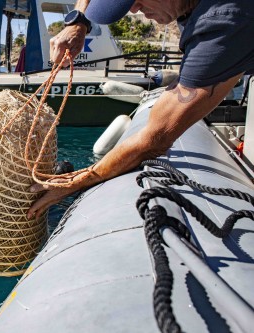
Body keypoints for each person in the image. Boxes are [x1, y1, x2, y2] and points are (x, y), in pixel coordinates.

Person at [27, 0, 254, 219]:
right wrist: (78, 22)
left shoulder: (224, 20)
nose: (134, 9)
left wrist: (74, 182)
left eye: (136, 0)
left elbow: (155, 137)